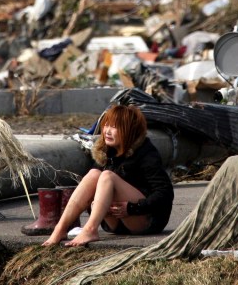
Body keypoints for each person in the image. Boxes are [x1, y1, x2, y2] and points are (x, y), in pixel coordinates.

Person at [42, 104, 174, 247]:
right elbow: (90, 192)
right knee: (94, 174)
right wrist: (94, 205)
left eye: (114, 127)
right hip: (114, 224)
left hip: (143, 220)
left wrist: (132, 208)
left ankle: (90, 229)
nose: (107, 131)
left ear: (129, 130)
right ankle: (60, 229)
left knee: (107, 176)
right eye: (106, 125)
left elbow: (165, 193)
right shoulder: (106, 152)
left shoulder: (146, 153)